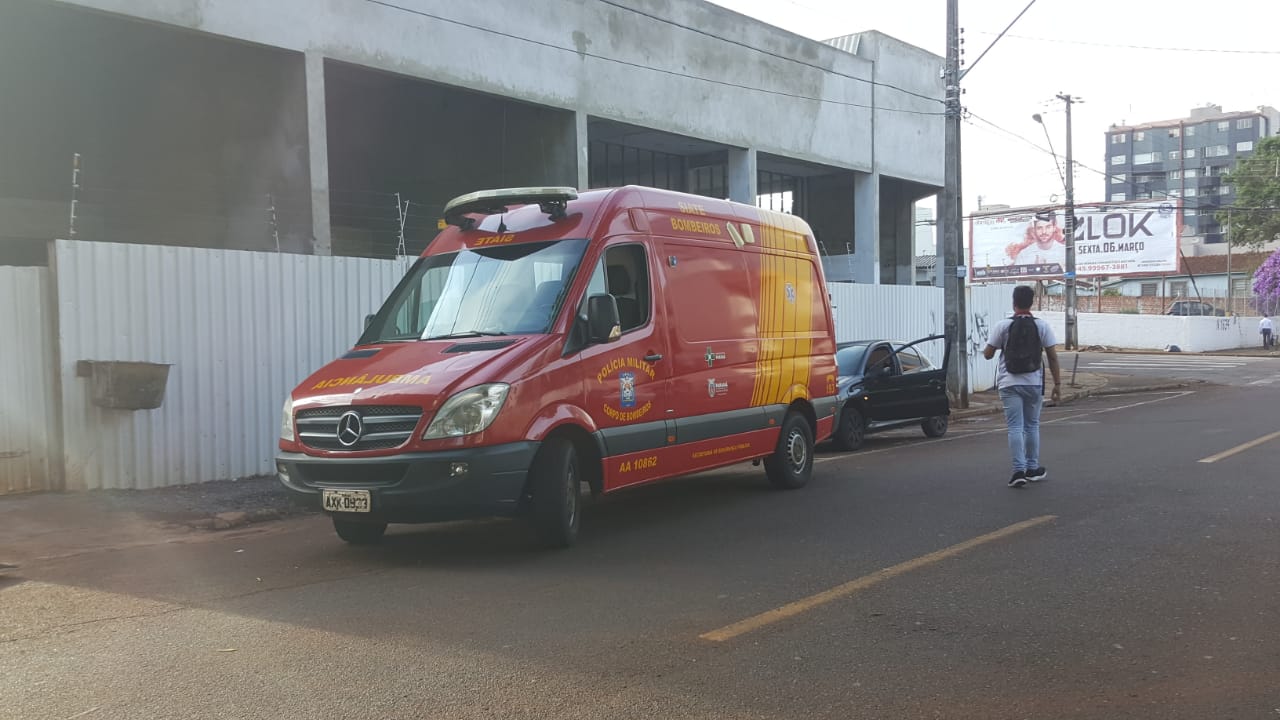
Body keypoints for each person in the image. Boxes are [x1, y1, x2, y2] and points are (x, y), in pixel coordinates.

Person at [983, 285, 1062, 488]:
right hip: (1034, 383)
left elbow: (988, 353)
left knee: (1015, 427)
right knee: (1032, 426)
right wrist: (1057, 384)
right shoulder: (1042, 326)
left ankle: (1018, 470)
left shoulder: (1003, 326)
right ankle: (1032, 468)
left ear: (1013, 302)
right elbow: (1052, 358)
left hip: (1009, 383)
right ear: (1032, 302)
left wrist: (994, 346)